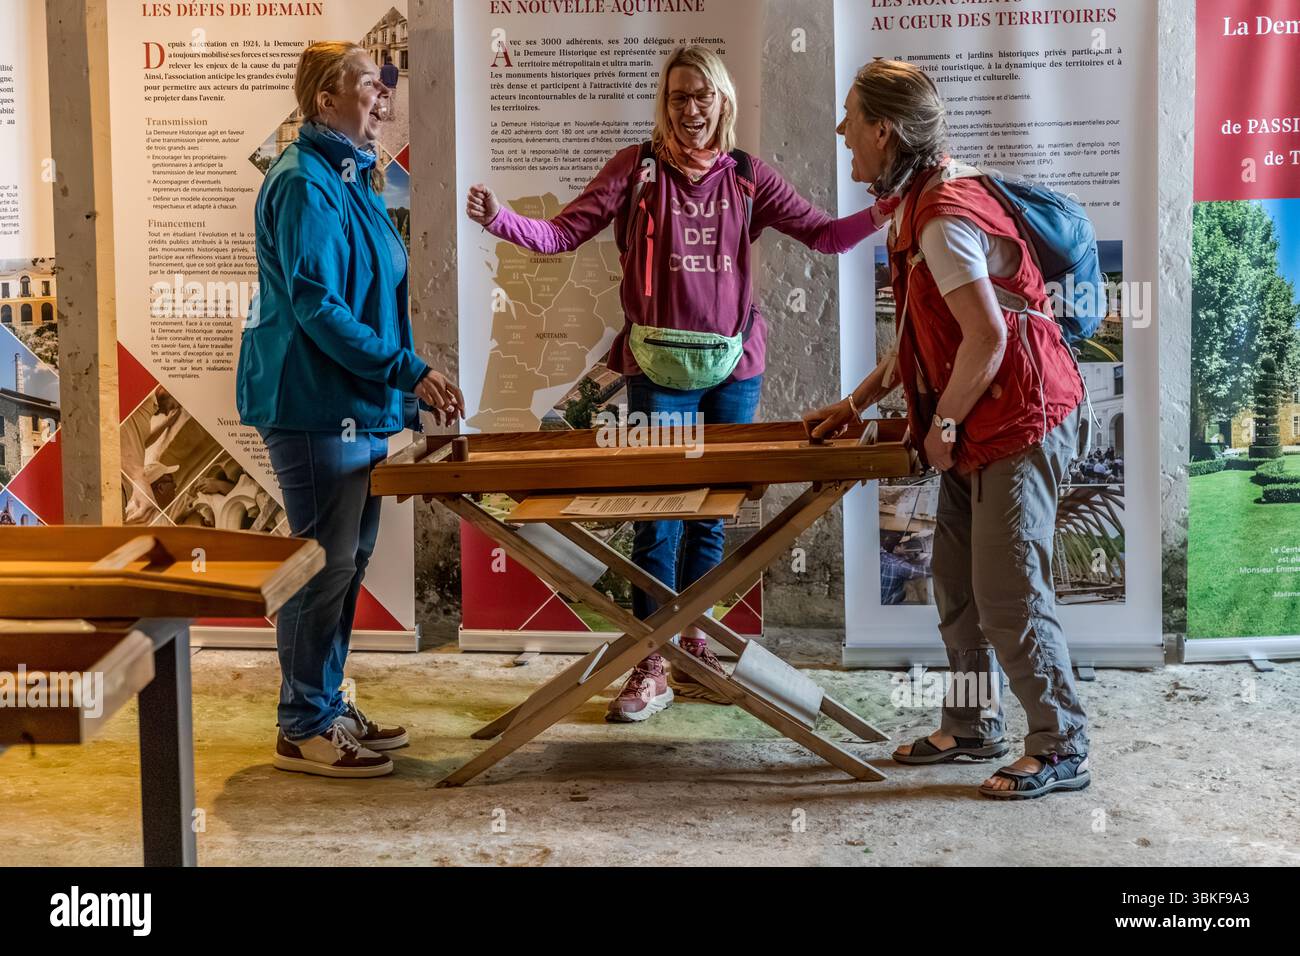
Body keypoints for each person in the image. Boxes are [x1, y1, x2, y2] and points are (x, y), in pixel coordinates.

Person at [466, 45, 894, 723]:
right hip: (656, 373)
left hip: (735, 371)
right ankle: (650, 662)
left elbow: (822, 234)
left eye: (701, 96)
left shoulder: (748, 176)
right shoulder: (636, 171)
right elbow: (562, 233)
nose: (689, 109)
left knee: (710, 516)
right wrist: (499, 220)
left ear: (722, 100)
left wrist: (882, 211)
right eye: (676, 97)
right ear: (664, 105)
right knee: (658, 517)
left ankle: (692, 644)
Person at [803, 59, 1091, 799]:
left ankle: (1061, 744)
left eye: (848, 118)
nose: (842, 133)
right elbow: (923, 331)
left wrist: (948, 424)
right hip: (983, 418)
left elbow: (987, 336)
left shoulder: (942, 215)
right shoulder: (916, 200)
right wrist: (859, 400)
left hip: (1019, 418)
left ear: (882, 129)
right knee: (957, 585)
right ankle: (972, 727)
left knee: (1010, 592)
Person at [236, 41, 464, 779]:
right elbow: (320, 309)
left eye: (385, 81)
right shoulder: (304, 183)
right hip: (311, 405)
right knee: (321, 564)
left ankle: (325, 702)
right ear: (325, 99)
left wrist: (399, 391)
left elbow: (376, 299)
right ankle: (302, 724)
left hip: (356, 403)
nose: (384, 93)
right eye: (371, 82)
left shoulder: (351, 176)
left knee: (345, 561)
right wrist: (410, 372)